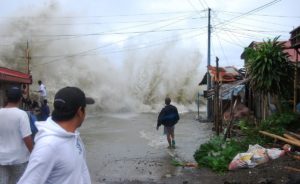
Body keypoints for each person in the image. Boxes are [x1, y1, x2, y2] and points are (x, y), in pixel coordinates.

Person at [18, 86, 94, 184]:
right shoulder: (48, 145)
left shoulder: (74, 135)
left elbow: (81, 169)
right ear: (80, 112)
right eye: (85, 109)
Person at [0, 86, 33, 184]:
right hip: (19, 158)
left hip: (1, 157)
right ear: (20, 99)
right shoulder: (22, 114)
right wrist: (33, 152)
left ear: (7, 98)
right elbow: (27, 137)